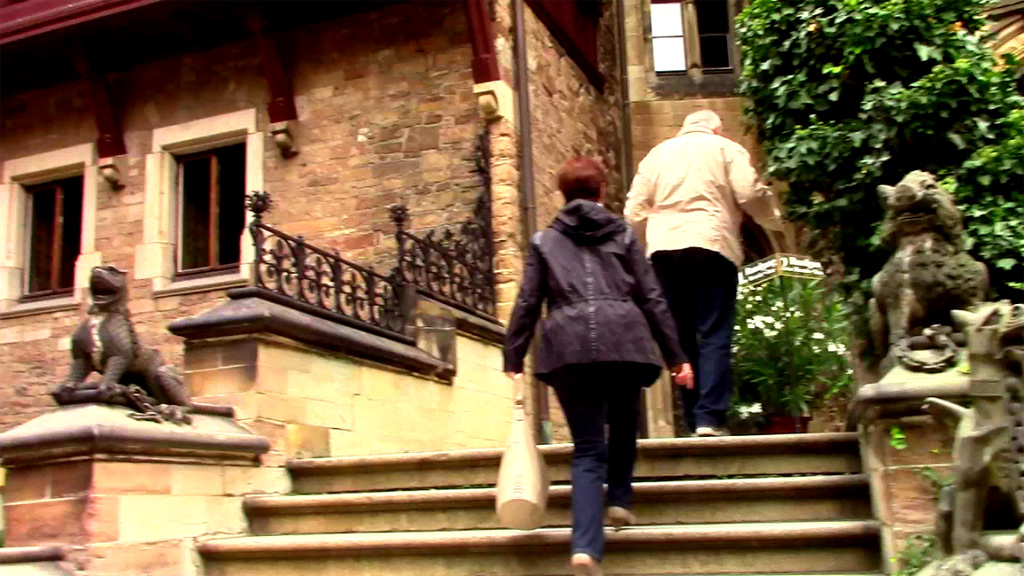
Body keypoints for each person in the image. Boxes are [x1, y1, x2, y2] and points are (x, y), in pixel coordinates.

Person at [504, 157, 693, 576]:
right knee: (625, 424)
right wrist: (677, 355)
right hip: (625, 339)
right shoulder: (623, 234)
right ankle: (621, 501)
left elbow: (528, 301)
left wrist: (513, 355)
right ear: (602, 191)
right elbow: (652, 297)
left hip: (568, 347)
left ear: (563, 194)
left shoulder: (543, 242)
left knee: (588, 448)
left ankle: (585, 548)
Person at [624, 109, 782, 438]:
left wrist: (648, 245)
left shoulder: (656, 155)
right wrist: (774, 218)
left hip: (666, 250)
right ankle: (709, 417)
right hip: (712, 245)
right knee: (714, 332)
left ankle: (692, 417)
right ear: (717, 129)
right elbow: (749, 193)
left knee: (680, 338)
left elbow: (633, 209)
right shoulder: (727, 150)